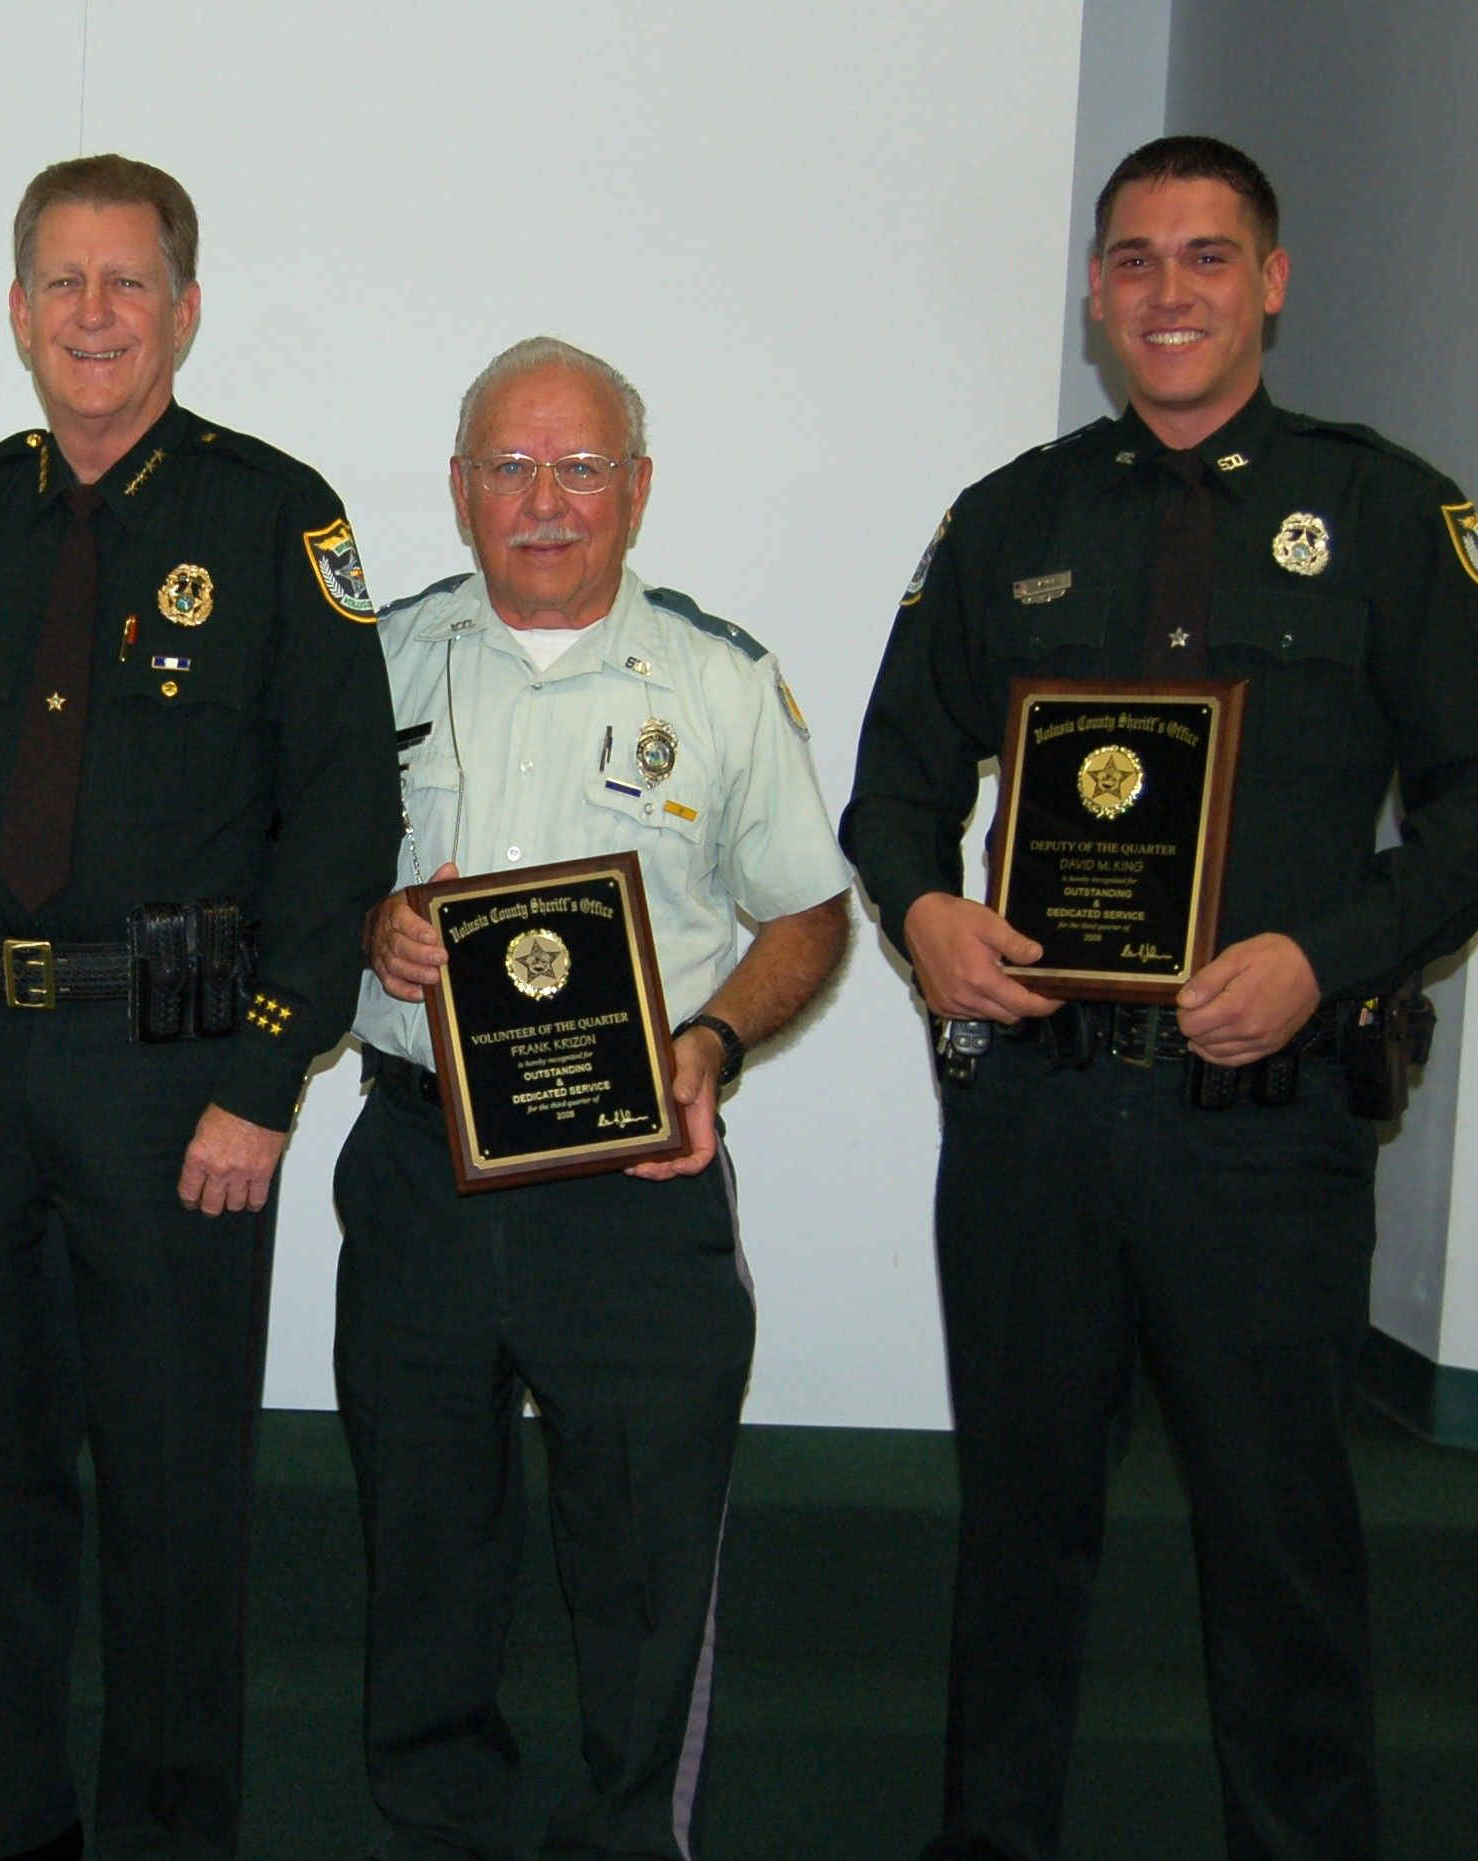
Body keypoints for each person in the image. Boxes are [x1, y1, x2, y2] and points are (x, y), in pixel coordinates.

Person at [840, 136, 1478, 1861]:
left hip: (1261, 1118)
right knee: (1018, 1527)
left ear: (1271, 281)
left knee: (1278, 1538)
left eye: (1207, 257)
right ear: (1094, 292)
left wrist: (1331, 956)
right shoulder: (1005, 516)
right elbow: (891, 779)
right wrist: (928, 905)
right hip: (1031, 1102)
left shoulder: (1386, 512)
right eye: (1137, 260)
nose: (1169, 291)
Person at [0, 154, 397, 1861]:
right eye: (60, 285)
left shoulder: (274, 519)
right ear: (15, 314)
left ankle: (165, 1837)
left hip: (177, 1073)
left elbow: (343, 813)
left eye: (126, 283)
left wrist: (267, 1073)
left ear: (185, 310)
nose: (92, 316)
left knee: (170, 1494)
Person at [345, 338, 851, 1860]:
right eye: (508, 466)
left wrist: (709, 1045)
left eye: (578, 469)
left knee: (638, 1557)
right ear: (455, 489)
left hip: (634, 1181)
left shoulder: (717, 677)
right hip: (419, 1167)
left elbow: (806, 914)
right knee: (425, 1543)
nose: (543, 502)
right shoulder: (370, 661)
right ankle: (440, 1826)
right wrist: (366, 924)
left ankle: (632, 1837)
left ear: (635, 489)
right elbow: (283, 868)